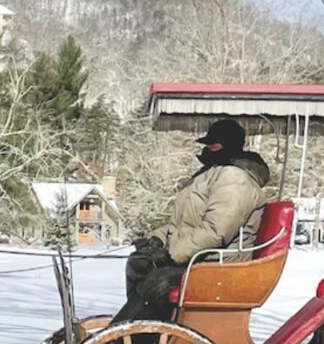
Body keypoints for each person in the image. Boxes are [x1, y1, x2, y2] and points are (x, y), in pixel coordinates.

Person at [118, 116, 276, 325]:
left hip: (220, 265)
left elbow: (216, 230)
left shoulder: (235, 178)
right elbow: (182, 223)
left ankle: (119, 340)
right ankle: (147, 336)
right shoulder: (209, 174)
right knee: (139, 262)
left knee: (160, 280)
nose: (209, 148)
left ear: (228, 146)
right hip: (199, 259)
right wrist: (156, 240)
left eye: (214, 144)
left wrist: (171, 255)